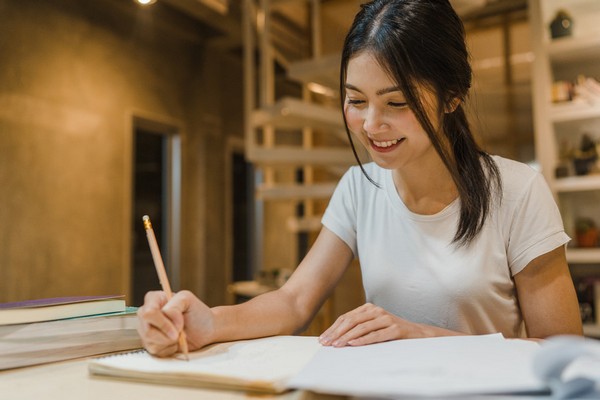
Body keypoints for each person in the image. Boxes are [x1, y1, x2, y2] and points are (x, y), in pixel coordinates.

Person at [137, 0, 582, 357]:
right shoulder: (358, 187)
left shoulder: (518, 191)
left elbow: (563, 350)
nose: (371, 125)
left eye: (396, 103)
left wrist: (422, 337)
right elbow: (294, 301)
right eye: (355, 100)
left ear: (451, 98)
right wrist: (208, 322)